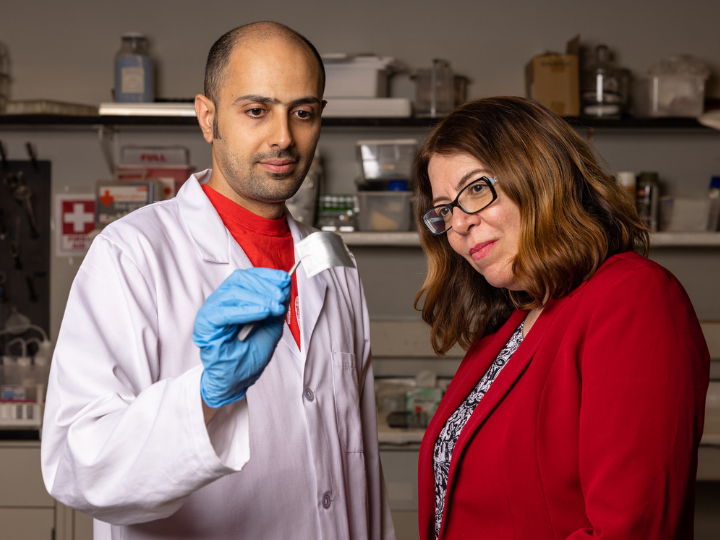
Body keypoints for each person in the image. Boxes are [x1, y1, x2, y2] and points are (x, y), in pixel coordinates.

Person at [41, 22, 394, 540]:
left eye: (303, 113)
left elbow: (361, 469)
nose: (283, 137)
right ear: (208, 118)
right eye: (256, 110)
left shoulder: (332, 267)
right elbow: (76, 465)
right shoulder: (131, 255)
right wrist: (207, 395)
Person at [413, 96, 710, 540]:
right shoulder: (514, 317)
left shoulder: (634, 297)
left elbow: (629, 529)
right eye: (444, 209)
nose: (459, 223)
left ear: (540, 176)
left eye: (476, 189)